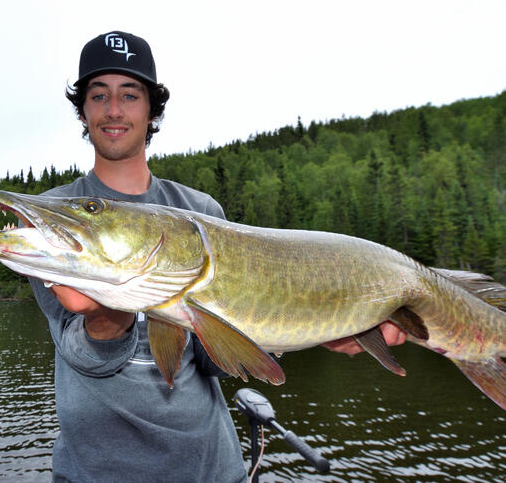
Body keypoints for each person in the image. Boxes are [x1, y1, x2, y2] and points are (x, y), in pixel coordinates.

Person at [30, 30, 406, 482]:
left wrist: (308, 327)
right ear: (84, 109)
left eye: (130, 95)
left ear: (151, 110)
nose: (113, 110)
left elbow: (213, 361)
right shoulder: (57, 223)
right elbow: (88, 358)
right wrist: (109, 314)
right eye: (99, 95)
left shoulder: (202, 213)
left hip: (207, 467)